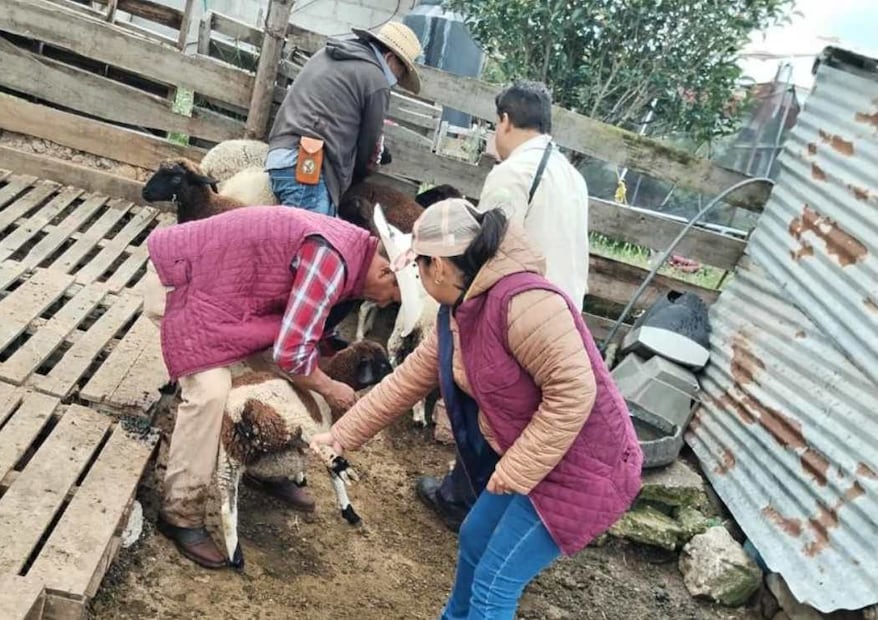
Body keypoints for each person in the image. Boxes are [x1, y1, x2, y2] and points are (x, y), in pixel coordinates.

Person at [311, 198, 641, 619]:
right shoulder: (458, 313)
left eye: (420, 267)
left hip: (583, 470)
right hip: (535, 457)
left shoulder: (526, 303)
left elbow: (575, 392)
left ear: (442, 267)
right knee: (475, 536)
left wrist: (517, 467)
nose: (417, 278)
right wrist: (341, 436)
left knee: (495, 583)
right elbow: (407, 381)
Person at [142, 205, 422, 569]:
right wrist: (330, 387)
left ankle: (264, 466)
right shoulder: (331, 261)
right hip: (183, 282)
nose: (381, 303)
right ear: (386, 272)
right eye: (391, 297)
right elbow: (291, 354)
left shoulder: (349, 252)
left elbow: (292, 348)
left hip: (226, 292)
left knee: (275, 381)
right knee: (211, 392)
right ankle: (180, 512)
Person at [416, 81, 593, 530]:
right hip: (561, 311)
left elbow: (482, 254)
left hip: (517, 311)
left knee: (483, 398)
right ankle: (484, 497)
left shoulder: (512, 173)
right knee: (523, 413)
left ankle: (465, 498)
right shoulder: (573, 178)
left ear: (506, 121)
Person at [265, 21, 422, 216]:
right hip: (307, 167)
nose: (397, 79)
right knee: (313, 239)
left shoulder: (327, 54)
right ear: (390, 58)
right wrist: (360, 174)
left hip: (280, 156)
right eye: (401, 71)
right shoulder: (375, 80)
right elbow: (368, 146)